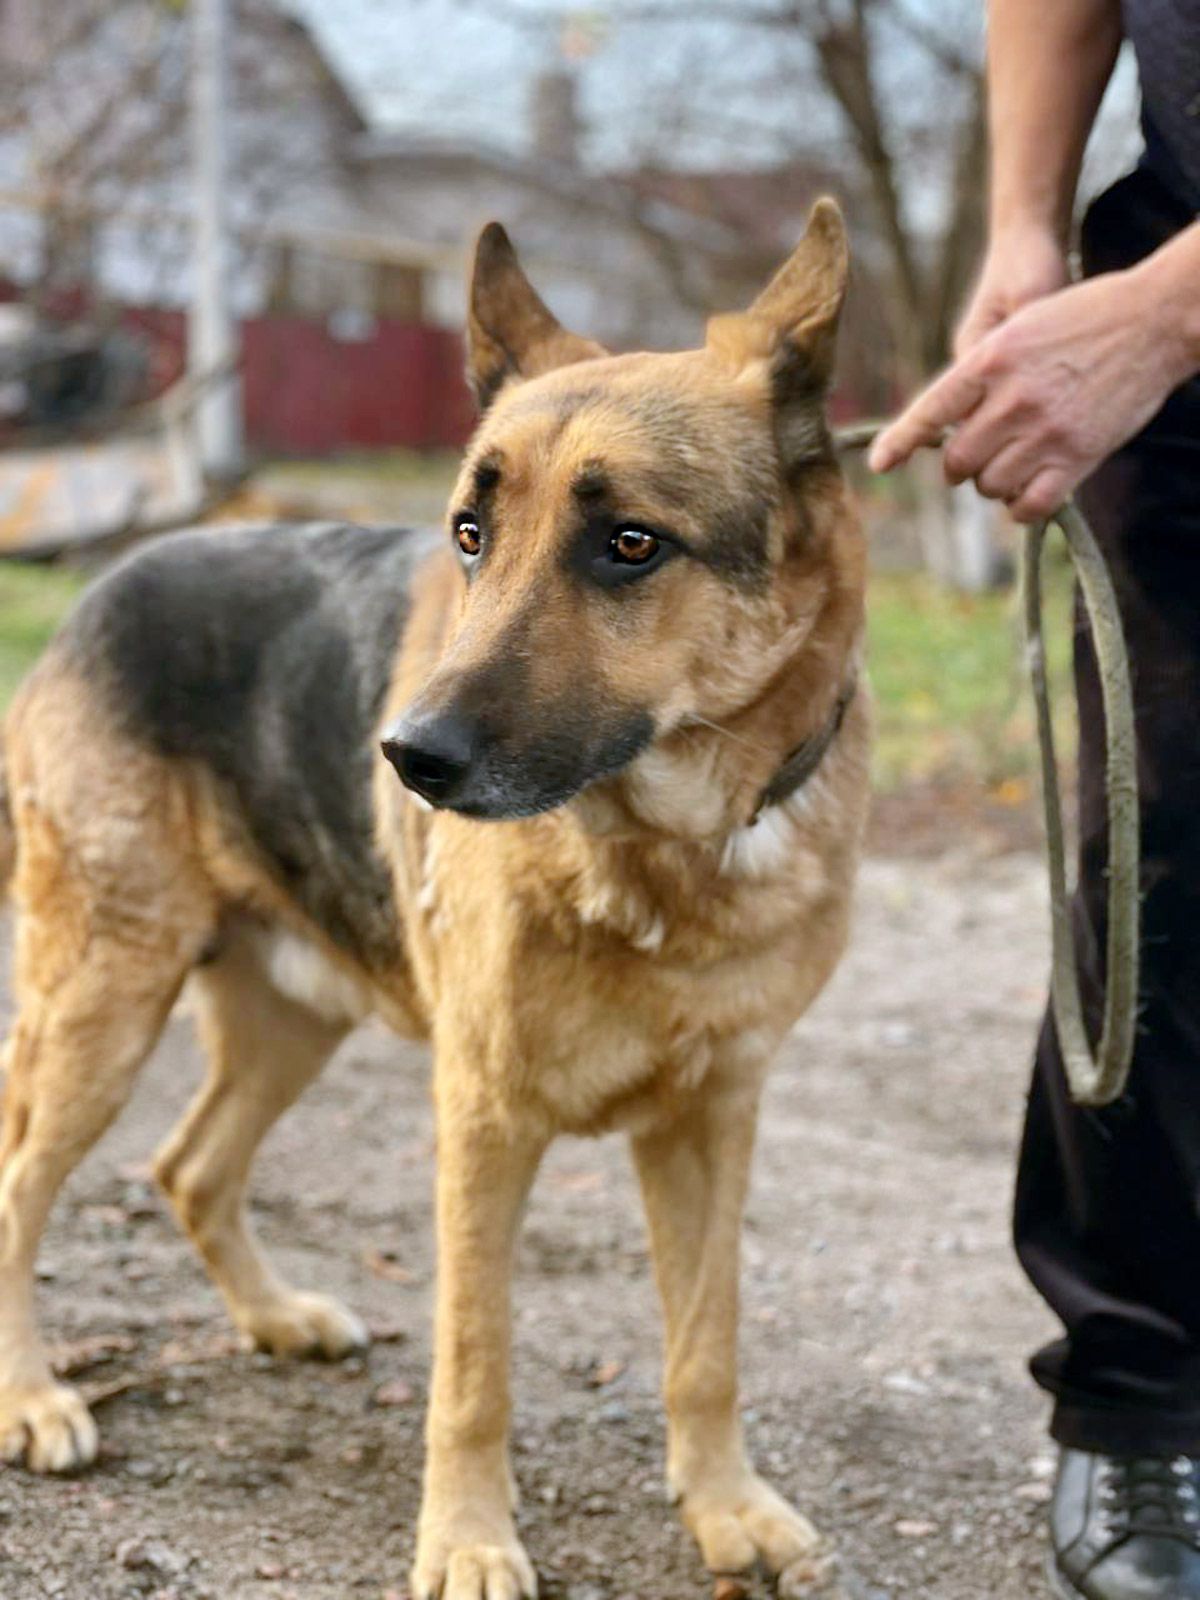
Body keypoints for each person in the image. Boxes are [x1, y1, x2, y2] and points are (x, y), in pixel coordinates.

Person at [869, 3, 1200, 1596]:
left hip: (1176, 299)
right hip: (1164, 286)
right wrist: (1023, 228)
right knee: (1156, 868)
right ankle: (1140, 1399)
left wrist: (1170, 312)